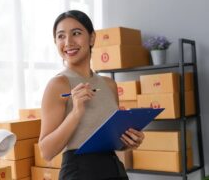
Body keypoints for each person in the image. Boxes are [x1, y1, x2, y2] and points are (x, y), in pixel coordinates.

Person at [38, 10, 145, 180]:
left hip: (114, 170)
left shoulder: (109, 84)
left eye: (76, 33)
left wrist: (129, 141)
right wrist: (76, 113)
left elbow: (112, 140)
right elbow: (46, 151)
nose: (68, 42)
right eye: (61, 36)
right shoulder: (57, 85)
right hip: (79, 172)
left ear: (92, 38)